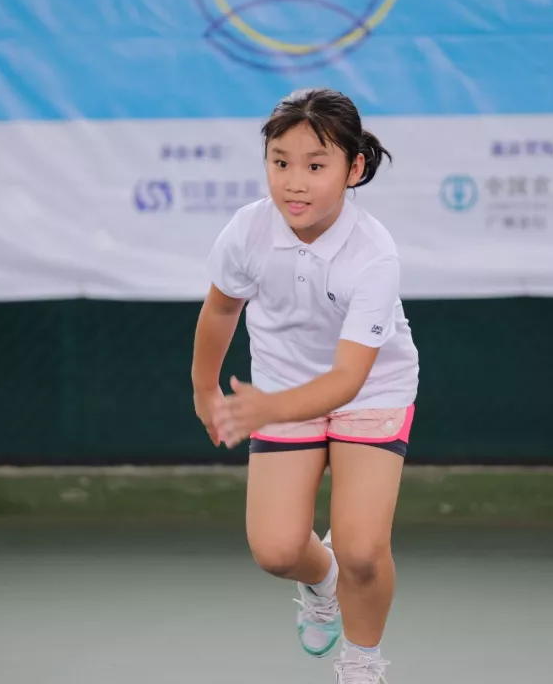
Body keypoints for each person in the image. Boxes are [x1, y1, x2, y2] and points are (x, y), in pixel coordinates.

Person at [191, 88, 418, 684]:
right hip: (281, 384)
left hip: (371, 392)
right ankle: (323, 581)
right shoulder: (247, 229)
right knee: (278, 552)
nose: (294, 182)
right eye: (280, 162)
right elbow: (221, 309)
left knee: (363, 549)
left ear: (354, 168)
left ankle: (362, 663)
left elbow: (348, 378)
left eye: (316, 166)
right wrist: (205, 389)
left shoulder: (374, 255)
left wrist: (264, 407)